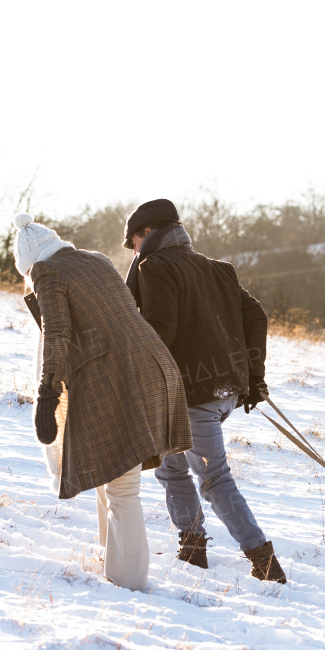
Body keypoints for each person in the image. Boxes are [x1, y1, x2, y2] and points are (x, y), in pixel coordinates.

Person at [13, 213, 192, 592]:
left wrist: (47, 393)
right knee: (104, 468)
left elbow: (58, 331)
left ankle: (128, 584)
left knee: (122, 489)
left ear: (30, 264)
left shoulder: (46, 272)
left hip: (119, 378)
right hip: (154, 365)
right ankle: (108, 552)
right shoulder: (96, 259)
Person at [123, 199, 287, 584]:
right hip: (222, 389)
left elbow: (161, 328)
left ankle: (265, 563)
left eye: (132, 241)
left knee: (213, 480)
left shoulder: (155, 266)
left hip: (191, 395)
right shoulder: (217, 268)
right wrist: (253, 375)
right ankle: (193, 548)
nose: (132, 251)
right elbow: (256, 314)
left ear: (148, 233)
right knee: (170, 468)